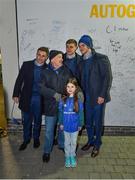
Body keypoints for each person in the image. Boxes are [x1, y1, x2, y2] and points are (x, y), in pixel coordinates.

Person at [78, 35, 112, 157]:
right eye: (79, 46)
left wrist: (102, 95)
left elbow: (107, 78)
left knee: (97, 122)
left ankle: (97, 145)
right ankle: (90, 141)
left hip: (98, 98)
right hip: (85, 98)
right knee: (87, 122)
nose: (80, 48)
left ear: (89, 45)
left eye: (83, 45)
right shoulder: (81, 61)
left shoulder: (100, 58)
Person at [12, 47, 49, 151]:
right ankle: (26, 139)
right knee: (26, 120)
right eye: (39, 54)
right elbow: (19, 80)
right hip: (27, 97)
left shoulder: (48, 68)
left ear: (46, 57)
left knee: (37, 120)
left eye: (43, 56)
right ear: (36, 54)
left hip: (39, 99)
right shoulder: (27, 65)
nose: (40, 57)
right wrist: (15, 94)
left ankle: (36, 138)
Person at [40, 50, 73, 163]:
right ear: (53, 59)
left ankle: (62, 145)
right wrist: (54, 94)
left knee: (63, 128)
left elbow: (72, 84)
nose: (62, 59)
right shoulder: (45, 72)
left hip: (64, 105)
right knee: (49, 131)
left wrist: (77, 94)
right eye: (60, 57)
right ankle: (47, 151)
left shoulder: (66, 71)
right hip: (50, 106)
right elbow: (41, 88)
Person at [58, 78, 84, 168]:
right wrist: (61, 123)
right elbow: (60, 113)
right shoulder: (63, 100)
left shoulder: (78, 100)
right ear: (66, 88)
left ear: (76, 88)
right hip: (65, 126)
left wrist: (80, 124)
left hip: (75, 126)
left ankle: (72, 156)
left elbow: (81, 113)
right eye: (68, 86)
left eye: (72, 87)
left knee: (73, 142)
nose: (70, 89)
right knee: (66, 142)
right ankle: (67, 156)